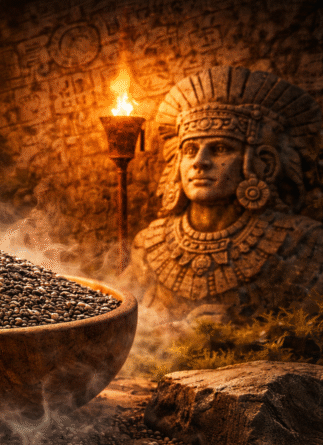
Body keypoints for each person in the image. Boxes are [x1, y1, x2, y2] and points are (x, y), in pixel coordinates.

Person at [123, 66, 323, 322]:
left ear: (264, 164)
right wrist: (176, 332)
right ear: (177, 164)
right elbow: (119, 326)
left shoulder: (304, 243)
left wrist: (240, 334)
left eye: (219, 148)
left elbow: (311, 336)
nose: (200, 162)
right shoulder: (149, 246)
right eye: (190, 150)